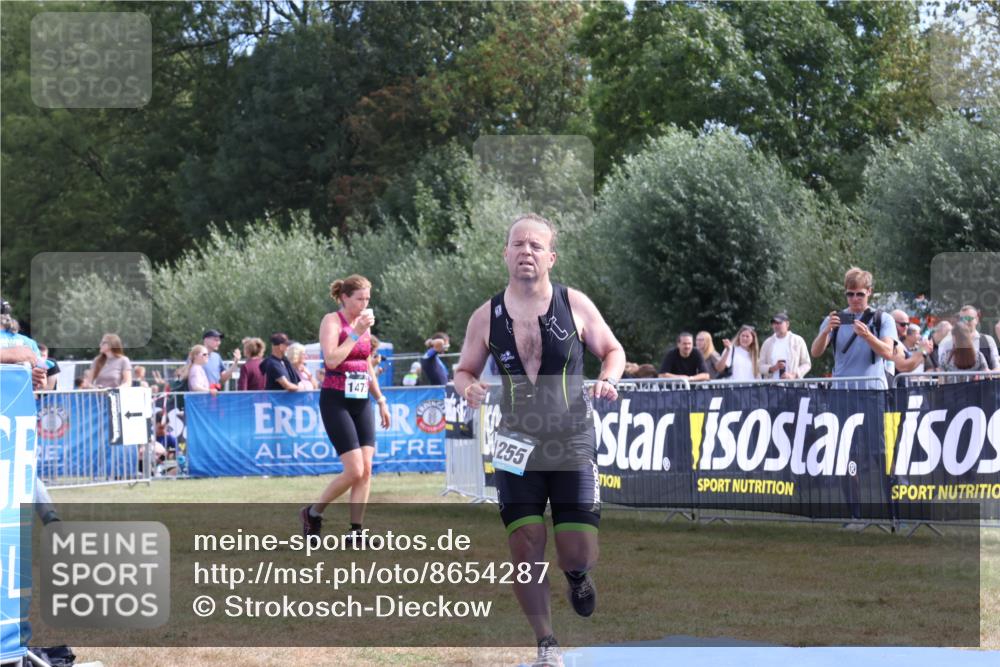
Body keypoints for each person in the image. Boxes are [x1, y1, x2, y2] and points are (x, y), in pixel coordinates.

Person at [453, 213, 625, 667]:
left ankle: (578, 575)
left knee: (576, 549)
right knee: (525, 543)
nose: (526, 252)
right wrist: (467, 386)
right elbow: (464, 368)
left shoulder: (575, 303)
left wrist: (608, 378)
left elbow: (613, 350)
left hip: (571, 438)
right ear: (506, 254)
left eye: (535, 246)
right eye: (518, 245)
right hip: (514, 441)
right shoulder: (485, 316)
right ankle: (547, 644)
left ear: (550, 256)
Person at [300, 275, 391, 545]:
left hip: (361, 399)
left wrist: (381, 400)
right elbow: (331, 359)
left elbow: (366, 365)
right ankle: (312, 513)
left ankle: (356, 532)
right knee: (353, 470)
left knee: (366, 470)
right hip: (335, 398)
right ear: (344, 298)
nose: (364, 304)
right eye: (359, 299)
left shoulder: (363, 325)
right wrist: (355, 332)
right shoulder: (332, 321)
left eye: (367, 299)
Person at [810, 267, 897, 389]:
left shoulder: (883, 318)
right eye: (850, 294)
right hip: (841, 390)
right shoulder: (835, 319)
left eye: (860, 294)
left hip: (872, 390)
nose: (855, 298)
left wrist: (867, 336)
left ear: (869, 291)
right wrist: (825, 332)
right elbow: (815, 352)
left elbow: (888, 353)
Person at [937, 305, 999, 371]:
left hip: (983, 381)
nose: (965, 322)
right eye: (961, 319)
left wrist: (985, 375)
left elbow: (997, 368)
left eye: (968, 318)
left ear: (977, 320)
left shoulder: (988, 340)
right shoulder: (948, 343)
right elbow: (941, 371)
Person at [758, 312, 811, 379]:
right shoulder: (767, 343)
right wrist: (773, 368)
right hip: (771, 386)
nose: (776, 326)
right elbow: (760, 366)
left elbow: (806, 364)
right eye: (774, 323)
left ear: (787, 324)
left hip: (792, 386)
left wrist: (793, 375)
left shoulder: (798, 341)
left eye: (779, 323)